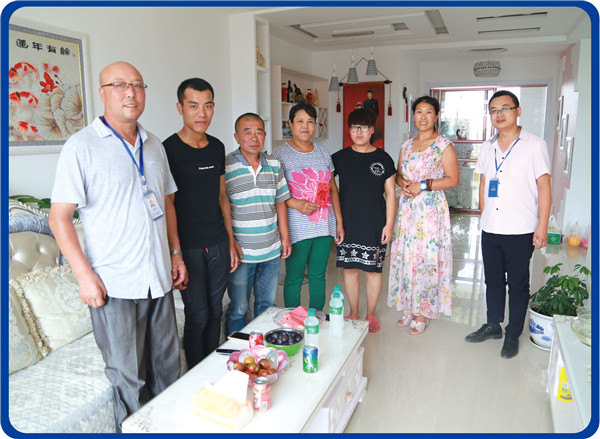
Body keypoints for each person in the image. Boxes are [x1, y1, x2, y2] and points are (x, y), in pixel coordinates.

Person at [48, 62, 186, 432]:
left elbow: (166, 203)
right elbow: (59, 218)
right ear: (102, 92)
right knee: (128, 378)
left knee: (168, 367)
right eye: (120, 85)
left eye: (138, 85)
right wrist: (85, 277)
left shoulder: (153, 144)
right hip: (115, 285)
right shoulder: (81, 147)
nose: (130, 92)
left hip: (158, 278)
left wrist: (175, 253)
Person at [465, 90, 551, 359]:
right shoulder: (487, 147)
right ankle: (493, 325)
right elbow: (483, 182)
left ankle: (513, 332)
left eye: (505, 108)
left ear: (518, 111)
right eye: (494, 110)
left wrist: (543, 225)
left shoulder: (535, 145)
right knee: (492, 280)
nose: (499, 114)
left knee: (517, 283)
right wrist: (483, 215)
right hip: (491, 226)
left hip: (520, 228)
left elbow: (544, 187)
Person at [163, 78, 239, 368]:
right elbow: (168, 204)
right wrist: (175, 252)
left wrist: (230, 241)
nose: (201, 113)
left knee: (216, 311)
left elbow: (222, 197)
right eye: (193, 106)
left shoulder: (217, 147)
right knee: (198, 313)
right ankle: (196, 373)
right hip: (188, 246)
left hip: (218, 241)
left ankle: (214, 369)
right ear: (180, 108)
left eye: (207, 106)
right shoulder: (168, 149)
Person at [387, 95, 459, 335]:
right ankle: (409, 305)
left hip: (430, 211)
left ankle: (424, 311)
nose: (423, 117)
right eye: (419, 112)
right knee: (408, 256)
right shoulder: (407, 145)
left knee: (426, 259)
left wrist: (423, 185)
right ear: (413, 115)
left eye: (429, 112)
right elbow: (399, 174)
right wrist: (403, 183)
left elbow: (453, 179)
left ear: (436, 116)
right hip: (408, 209)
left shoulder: (443, 145)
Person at [273, 102, 344, 311]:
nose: (305, 126)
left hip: (323, 225)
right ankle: (293, 320)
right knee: (294, 277)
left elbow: (332, 189)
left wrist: (339, 222)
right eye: (300, 121)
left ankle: (316, 318)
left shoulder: (323, 152)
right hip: (296, 227)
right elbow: (274, 191)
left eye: (310, 121)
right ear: (290, 124)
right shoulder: (280, 154)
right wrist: (296, 203)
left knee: (318, 275)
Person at [224, 113, 292, 334]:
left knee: (266, 306)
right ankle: (237, 349)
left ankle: (264, 348)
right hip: (242, 253)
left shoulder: (274, 164)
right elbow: (222, 208)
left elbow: (280, 202)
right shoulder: (226, 166)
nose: (254, 137)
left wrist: (285, 238)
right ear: (237, 137)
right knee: (238, 308)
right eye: (247, 132)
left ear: (264, 135)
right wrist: (230, 243)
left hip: (271, 251)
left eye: (259, 132)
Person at [332, 108, 396, 333]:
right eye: (354, 127)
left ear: (372, 131)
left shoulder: (383, 158)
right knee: (350, 269)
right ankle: (353, 311)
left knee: (373, 271)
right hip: (348, 222)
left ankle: (371, 314)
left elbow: (391, 194)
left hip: (375, 222)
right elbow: (330, 189)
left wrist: (389, 224)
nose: (359, 132)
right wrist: (337, 221)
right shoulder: (339, 158)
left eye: (364, 128)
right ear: (349, 130)